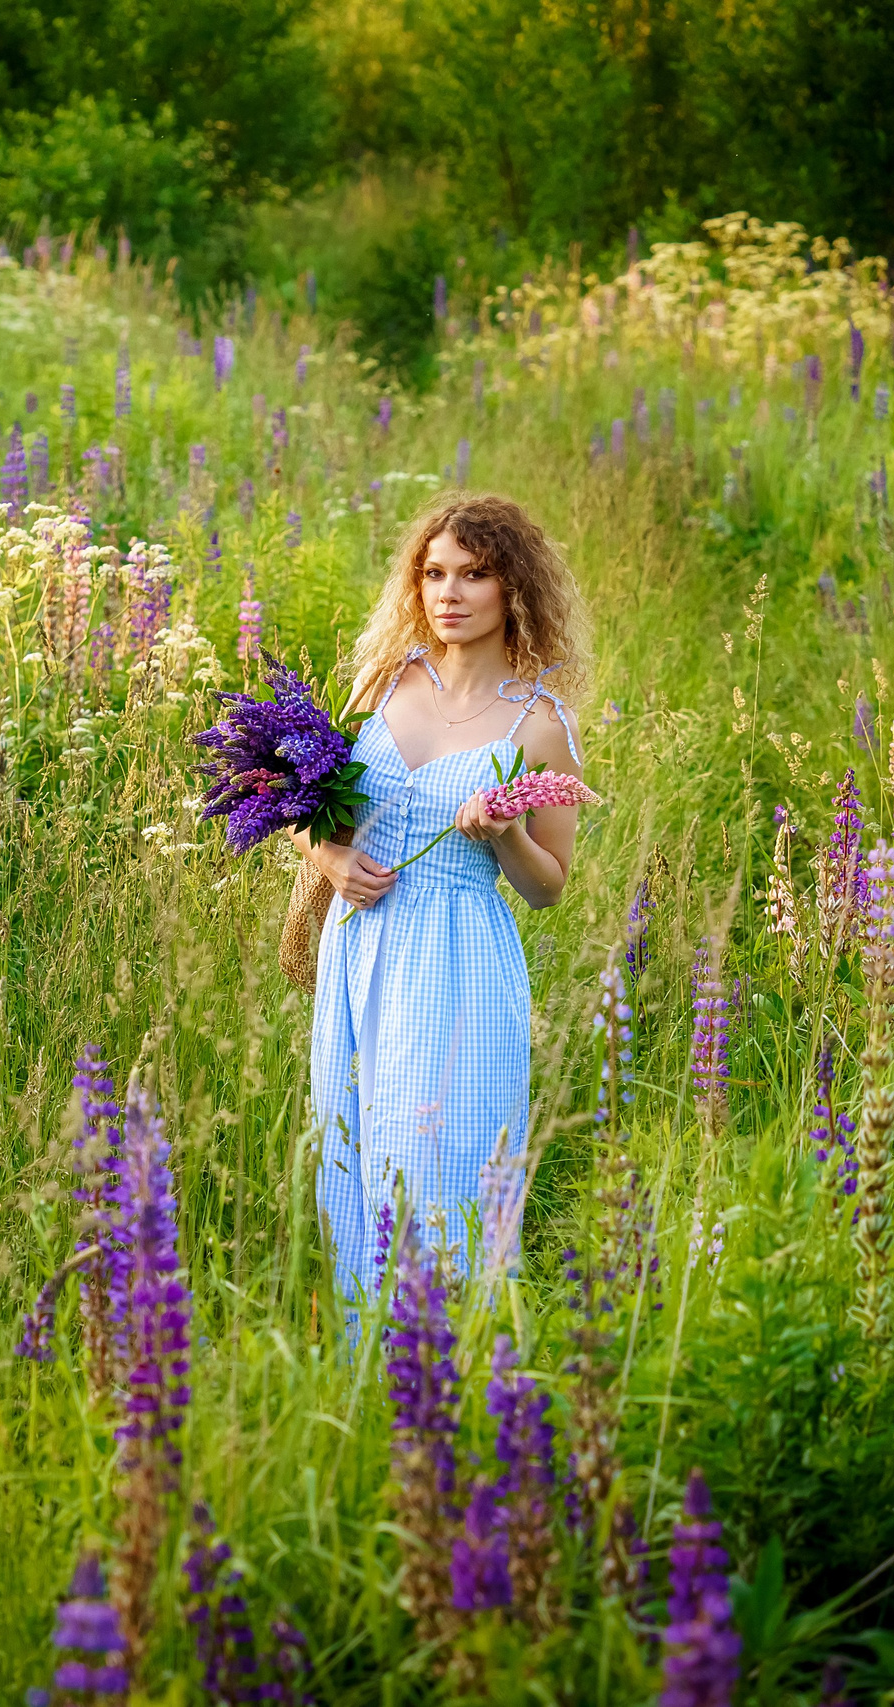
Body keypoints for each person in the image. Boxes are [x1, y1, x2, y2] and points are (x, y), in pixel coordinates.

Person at [293, 492, 589, 1300]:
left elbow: (549, 888)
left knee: (444, 1165)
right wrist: (327, 858)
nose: (449, 593)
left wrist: (504, 836)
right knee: (357, 1164)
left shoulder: (538, 723)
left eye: (475, 573)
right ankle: (366, 1382)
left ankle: (456, 1367)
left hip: (461, 962)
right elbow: (303, 807)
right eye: (434, 573)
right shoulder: (381, 686)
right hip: (362, 947)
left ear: (513, 589)